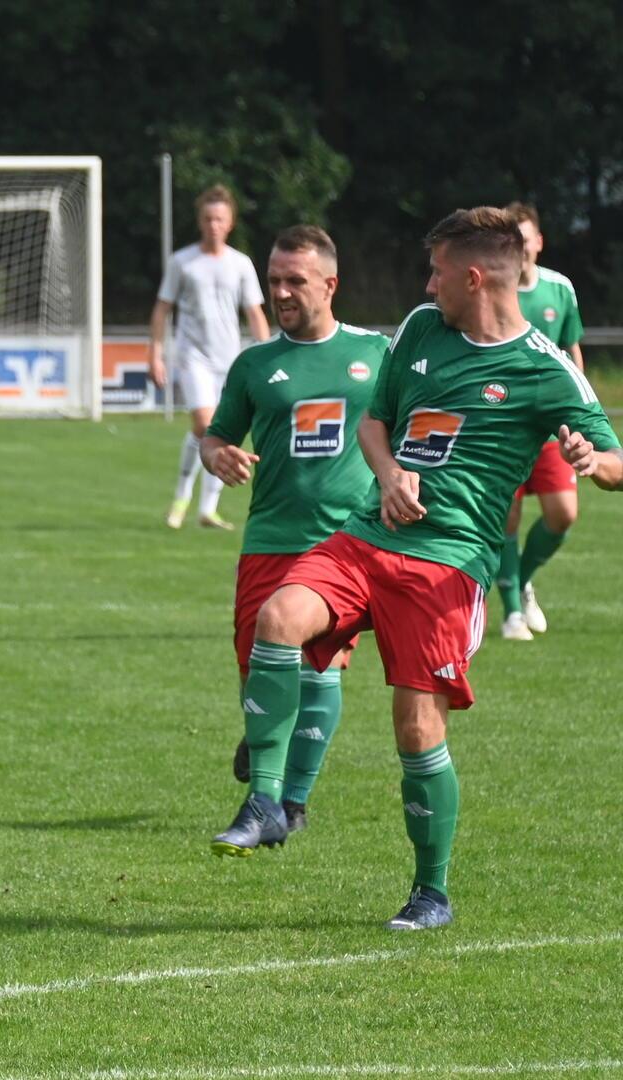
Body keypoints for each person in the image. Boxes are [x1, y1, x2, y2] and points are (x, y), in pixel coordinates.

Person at [209, 208, 621, 931]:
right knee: (279, 618)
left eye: (436, 271)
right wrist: (390, 472)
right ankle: (269, 801)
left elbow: (616, 456)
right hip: (366, 538)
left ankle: (431, 890)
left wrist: (595, 462)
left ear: (473, 277)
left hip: (446, 564)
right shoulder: (423, 329)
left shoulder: (541, 367)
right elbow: (375, 421)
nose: (425, 283)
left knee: (416, 730)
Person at [200, 225, 387, 835]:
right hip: (269, 538)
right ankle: (266, 741)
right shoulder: (255, 364)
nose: (279, 292)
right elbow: (216, 435)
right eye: (273, 280)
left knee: (321, 668)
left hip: (342, 542)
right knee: (258, 668)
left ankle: (287, 802)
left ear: (330, 285)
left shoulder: (377, 354)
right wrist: (218, 454)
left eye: (293, 281)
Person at [149, 185, 271, 530]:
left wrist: (266, 354)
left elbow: (255, 313)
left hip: (229, 359)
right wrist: (155, 354)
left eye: (219, 219)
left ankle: (207, 509)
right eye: (207, 218)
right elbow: (162, 309)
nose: (213, 225)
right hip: (193, 356)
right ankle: (182, 496)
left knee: (222, 432)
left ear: (229, 223)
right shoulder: (183, 262)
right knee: (205, 425)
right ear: (199, 222)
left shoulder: (241, 264)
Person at [495, 202, 586, 640]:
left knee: (563, 515)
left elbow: (571, 350)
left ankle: (522, 578)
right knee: (506, 516)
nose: (520, 245)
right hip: (504, 425)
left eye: (525, 237)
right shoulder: (495, 287)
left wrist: (579, 406)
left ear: (538, 242)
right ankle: (511, 609)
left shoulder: (560, 288)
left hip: (551, 426)